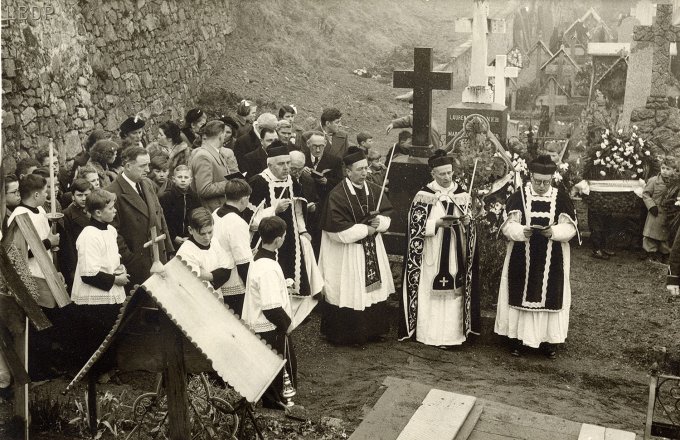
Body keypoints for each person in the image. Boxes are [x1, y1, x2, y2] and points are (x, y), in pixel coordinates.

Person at [494, 155, 579, 359]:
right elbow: (507, 226)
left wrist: (555, 232)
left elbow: (571, 228)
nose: (541, 186)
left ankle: (548, 341)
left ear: (552, 179)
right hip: (522, 255)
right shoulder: (519, 196)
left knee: (551, 294)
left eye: (546, 182)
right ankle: (516, 339)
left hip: (553, 256)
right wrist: (521, 231)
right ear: (530, 176)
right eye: (537, 181)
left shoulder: (561, 198)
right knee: (519, 292)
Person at [398, 151, 480, 347]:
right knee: (429, 291)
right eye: (442, 174)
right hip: (431, 253)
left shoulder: (462, 195)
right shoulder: (424, 196)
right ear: (433, 173)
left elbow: (470, 226)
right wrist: (435, 225)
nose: (447, 177)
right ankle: (430, 335)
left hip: (454, 253)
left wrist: (468, 223)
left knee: (455, 291)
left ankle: (452, 336)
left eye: (450, 173)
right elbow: (414, 227)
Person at [318, 146, 394, 345]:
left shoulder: (374, 190)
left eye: (366, 168)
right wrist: (365, 230)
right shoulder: (337, 195)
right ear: (348, 171)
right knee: (350, 290)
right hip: (348, 253)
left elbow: (387, 216)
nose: (365, 173)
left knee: (371, 291)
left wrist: (380, 224)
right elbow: (335, 232)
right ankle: (347, 335)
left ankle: (373, 331)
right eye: (359, 169)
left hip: (371, 250)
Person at [249, 144, 324, 297]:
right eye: (281, 164)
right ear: (269, 164)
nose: (286, 168)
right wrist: (274, 210)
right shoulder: (258, 182)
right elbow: (250, 220)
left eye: (288, 163)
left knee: (292, 270)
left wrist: (302, 230)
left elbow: (298, 209)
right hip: (265, 240)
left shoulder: (291, 181)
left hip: (290, 237)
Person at [242, 215, 297, 410]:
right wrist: (287, 325)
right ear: (279, 240)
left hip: (262, 325)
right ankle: (279, 404)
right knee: (278, 370)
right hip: (270, 328)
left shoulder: (258, 258)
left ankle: (273, 400)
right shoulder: (268, 268)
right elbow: (271, 307)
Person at [71, 189, 129, 364]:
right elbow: (89, 274)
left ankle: (108, 371)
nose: (115, 210)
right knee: (97, 337)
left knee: (111, 334)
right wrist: (116, 280)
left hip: (110, 291)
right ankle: (95, 376)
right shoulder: (88, 235)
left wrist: (119, 268)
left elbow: (111, 257)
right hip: (95, 298)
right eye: (111, 208)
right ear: (97, 212)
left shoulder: (110, 230)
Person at [106, 146, 173, 287]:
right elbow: (112, 231)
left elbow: (159, 216)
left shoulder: (147, 183)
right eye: (143, 166)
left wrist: (168, 248)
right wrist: (130, 259)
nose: (148, 170)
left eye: (148, 164)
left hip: (158, 257)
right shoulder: (113, 192)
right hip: (137, 264)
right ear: (128, 166)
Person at [212, 178, 253, 316]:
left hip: (216, 274)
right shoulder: (237, 222)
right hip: (234, 283)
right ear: (244, 199)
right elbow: (243, 262)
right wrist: (252, 289)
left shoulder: (216, 212)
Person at [176, 207, 232, 294]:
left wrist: (206, 275)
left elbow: (227, 271)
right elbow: (192, 285)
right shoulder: (185, 252)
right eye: (202, 234)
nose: (207, 237)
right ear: (190, 230)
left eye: (210, 232)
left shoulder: (214, 241)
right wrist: (216, 275)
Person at [60, 178, 94, 290]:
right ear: (73, 196)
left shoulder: (95, 211)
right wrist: (74, 270)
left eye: (87, 195)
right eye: (80, 195)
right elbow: (67, 245)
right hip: (78, 262)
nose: (84, 199)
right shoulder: (66, 215)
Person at [642, 156, 678, 262]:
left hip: (669, 212)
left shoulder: (675, 183)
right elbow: (646, 194)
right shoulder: (653, 181)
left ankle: (665, 254)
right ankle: (650, 252)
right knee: (650, 234)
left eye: (668, 169)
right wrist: (651, 206)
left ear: (674, 170)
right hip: (655, 211)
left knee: (665, 235)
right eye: (663, 168)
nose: (665, 171)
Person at [190, 120, 230, 211]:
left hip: (218, 208)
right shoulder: (203, 156)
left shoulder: (215, 152)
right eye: (224, 133)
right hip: (211, 211)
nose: (225, 137)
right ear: (220, 135)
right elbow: (204, 189)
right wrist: (230, 184)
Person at [159, 165, 201, 249]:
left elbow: (197, 218)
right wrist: (173, 237)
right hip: (172, 239)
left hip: (189, 238)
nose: (183, 180)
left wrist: (190, 235)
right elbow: (165, 220)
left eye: (186, 177)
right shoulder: (166, 196)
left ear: (190, 180)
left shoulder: (195, 197)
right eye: (179, 177)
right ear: (174, 179)